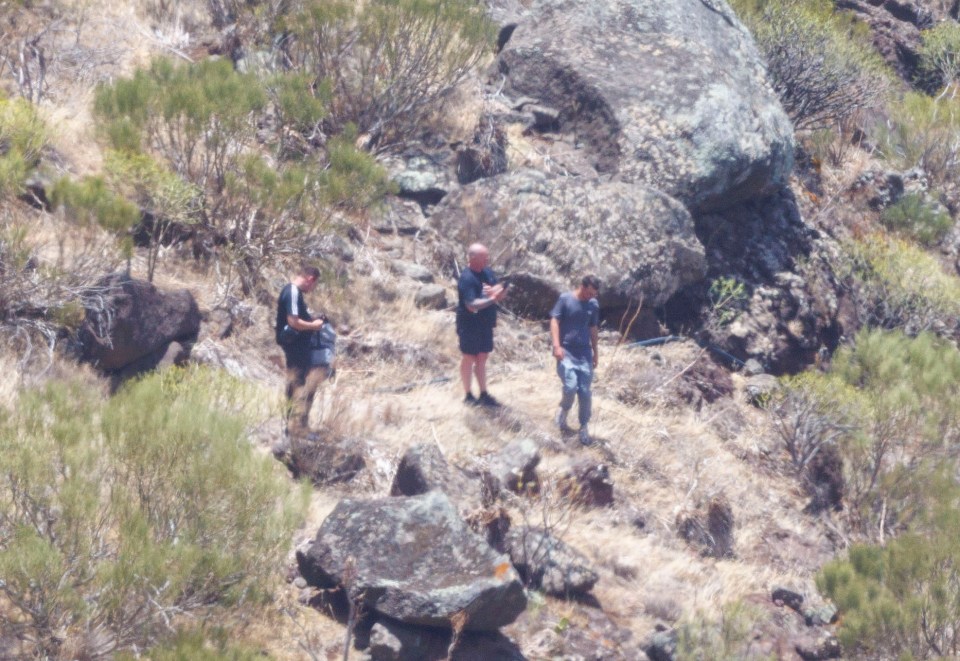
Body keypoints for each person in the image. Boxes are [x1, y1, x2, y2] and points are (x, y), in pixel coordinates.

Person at [276, 264, 330, 439]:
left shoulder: (295, 294)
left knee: (297, 384)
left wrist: (312, 320)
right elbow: (293, 321)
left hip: (299, 348)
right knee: (297, 385)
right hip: (295, 348)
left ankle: (296, 427)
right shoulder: (292, 291)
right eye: (314, 285)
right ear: (310, 279)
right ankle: (296, 429)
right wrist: (313, 325)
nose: (312, 289)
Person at [550, 275, 601, 445]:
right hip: (566, 350)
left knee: (585, 391)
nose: (590, 296)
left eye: (594, 294)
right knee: (570, 386)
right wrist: (556, 346)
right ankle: (564, 410)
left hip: (584, 353)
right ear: (582, 286)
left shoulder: (593, 305)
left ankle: (584, 426)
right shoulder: (565, 299)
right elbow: (554, 320)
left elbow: (593, 328)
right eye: (588, 293)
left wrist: (595, 352)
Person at [457, 243, 508, 407]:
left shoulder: (487, 272)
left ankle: (484, 393)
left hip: (485, 323)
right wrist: (492, 298)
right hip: (469, 324)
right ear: (473, 258)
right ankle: (468, 394)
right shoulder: (467, 278)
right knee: (469, 357)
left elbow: (497, 291)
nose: (487, 259)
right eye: (484, 257)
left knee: (482, 357)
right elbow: (471, 304)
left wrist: (498, 291)